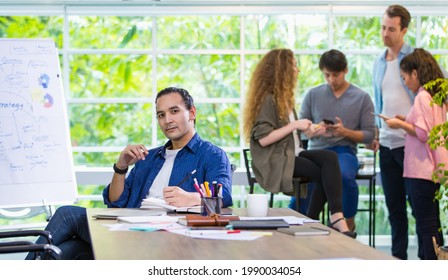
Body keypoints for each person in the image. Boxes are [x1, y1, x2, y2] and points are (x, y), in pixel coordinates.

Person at [26, 87, 233, 260]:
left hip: (166, 235)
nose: (167, 120)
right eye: (161, 115)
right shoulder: (149, 158)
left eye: (174, 111)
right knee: (66, 251)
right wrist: (121, 166)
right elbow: (115, 202)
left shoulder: (212, 155)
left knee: (66, 215)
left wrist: (189, 197)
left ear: (192, 113)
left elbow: (224, 196)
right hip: (128, 226)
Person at [243, 48, 356, 238]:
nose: (298, 70)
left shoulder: (283, 99)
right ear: (283, 70)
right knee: (322, 172)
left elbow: (289, 132)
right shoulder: (269, 100)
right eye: (295, 66)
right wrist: (296, 124)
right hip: (278, 159)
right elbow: (264, 139)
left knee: (329, 158)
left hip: (292, 152)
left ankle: (332, 216)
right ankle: (319, 220)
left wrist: (309, 129)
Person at [290, 49, 375, 231]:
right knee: (310, 176)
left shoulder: (362, 98)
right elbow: (300, 130)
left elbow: (369, 135)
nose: (331, 80)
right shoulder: (313, 95)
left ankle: (345, 221)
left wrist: (345, 132)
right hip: (315, 151)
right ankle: (301, 220)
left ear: (345, 70)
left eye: (335, 75)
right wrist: (314, 131)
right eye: (326, 75)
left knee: (343, 174)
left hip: (345, 151)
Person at [385, 48, 447, 260]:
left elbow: (423, 133)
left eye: (405, 78)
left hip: (420, 170)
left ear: (415, 73)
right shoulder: (435, 97)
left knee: (426, 225)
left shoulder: (421, 96)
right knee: (433, 223)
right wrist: (407, 119)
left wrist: (399, 124)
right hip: (432, 170)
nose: (405, 83)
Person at [371, 4, 414, 260]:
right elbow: (380, 102)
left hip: (412, 144)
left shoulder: (415, 58)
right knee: (394, 208)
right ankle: (398, 262)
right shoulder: (378, 62)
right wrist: (377, 134)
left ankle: (432, 261)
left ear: (404, 30)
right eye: (383, 28)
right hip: (387, 145)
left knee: (420, 208)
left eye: (391, 29)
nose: (385, 33)